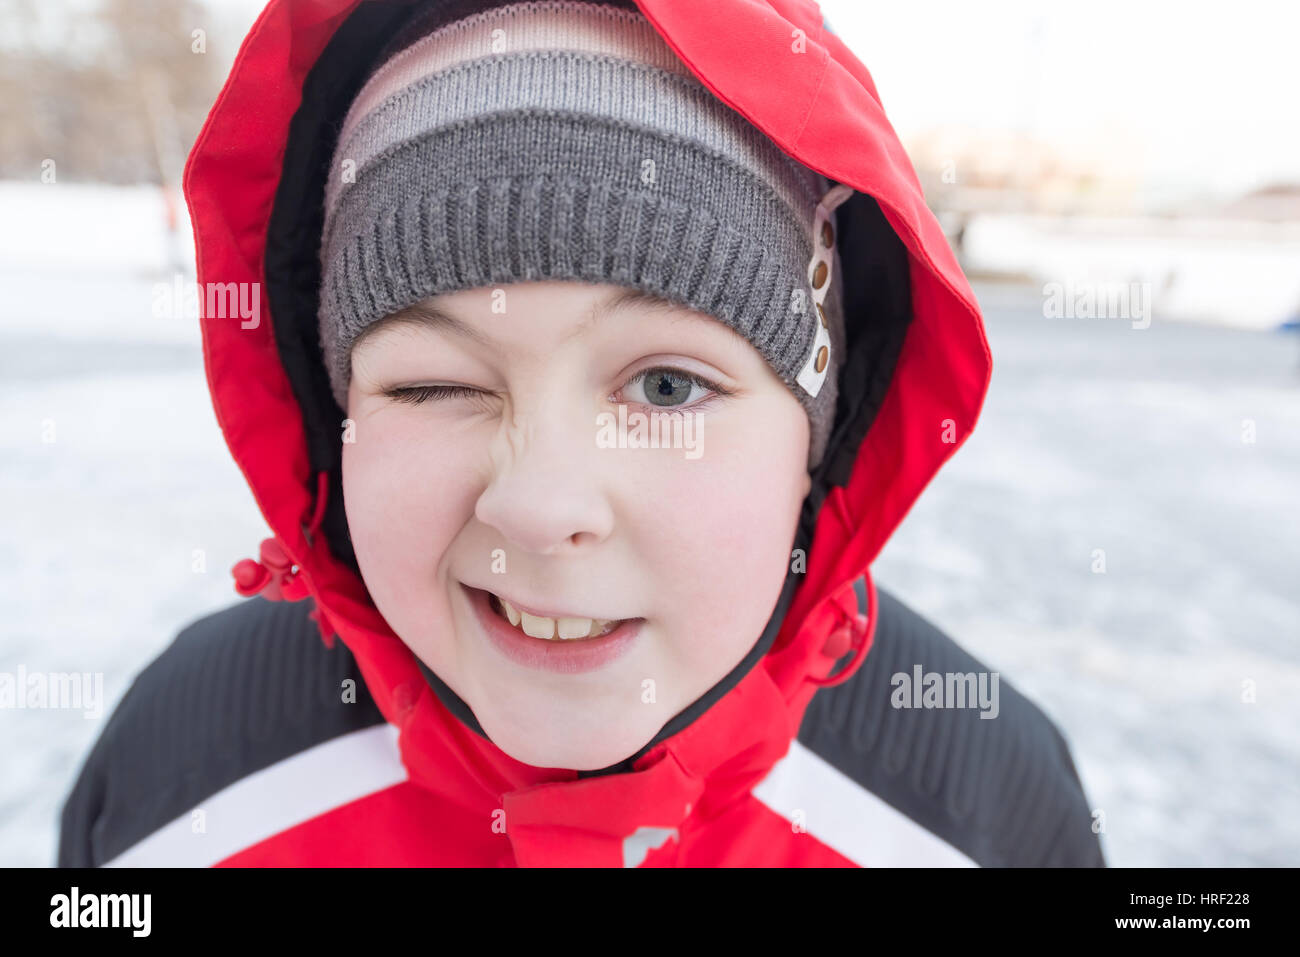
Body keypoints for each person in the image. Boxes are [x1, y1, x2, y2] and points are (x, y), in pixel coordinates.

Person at [58, 0, 1104, 867]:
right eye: (431, 385)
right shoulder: (182, 774)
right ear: (338, 421)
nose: (540, 505)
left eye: (663, 386)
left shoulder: (978, 808)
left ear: (814, 442)